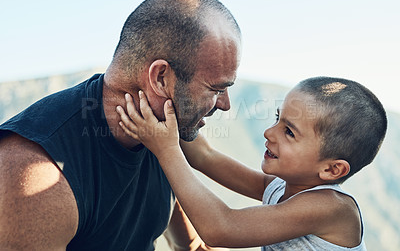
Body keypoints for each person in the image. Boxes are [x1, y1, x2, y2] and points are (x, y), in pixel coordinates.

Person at [0, 0, 241, 250]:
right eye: (216, 89)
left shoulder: (162, 137)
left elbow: (193, 247)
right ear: (161, 78)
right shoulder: (35, 178)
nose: (226, 105)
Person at [117, 76, 387, 250]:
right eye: (277, 119)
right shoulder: (281, 187)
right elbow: (206, 157)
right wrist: (168, 115)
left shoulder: (332, 208)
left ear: (331, 169)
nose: (269, 133)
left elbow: (221, 228)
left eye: (289, 132)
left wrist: (166, 150)